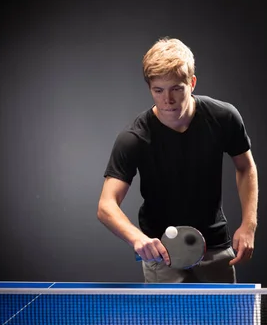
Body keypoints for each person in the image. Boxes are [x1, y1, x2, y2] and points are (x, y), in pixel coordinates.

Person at [97, 37, 258, 283]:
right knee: (169, 323)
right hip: (162, 253)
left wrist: (249, 224)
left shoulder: (223, 117)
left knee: (223, 321)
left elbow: (245, 167)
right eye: (158, 90)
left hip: (214, 246)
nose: (167, 100)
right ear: (150, 88)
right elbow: (106, 206)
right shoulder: (134, 138)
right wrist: (137, 238)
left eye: (176, 89)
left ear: (191, 83)